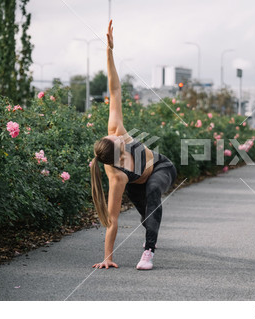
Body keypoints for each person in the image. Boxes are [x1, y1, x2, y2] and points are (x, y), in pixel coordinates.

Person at [90, 20, 177, 270]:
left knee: (153, 194)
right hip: (136, 183)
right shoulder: (116, 176)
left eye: (114, 136)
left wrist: (109, 52)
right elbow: (112, 219)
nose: (119, 136)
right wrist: (107, 257)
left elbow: (114, 89)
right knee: (146, 215)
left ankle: (148, 252)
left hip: (161, 167)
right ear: (118, 158)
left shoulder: (115, 129)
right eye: (118, 141)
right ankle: (151, 233)